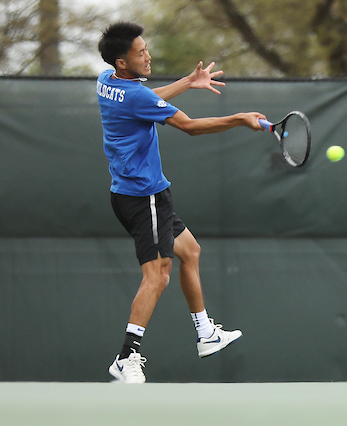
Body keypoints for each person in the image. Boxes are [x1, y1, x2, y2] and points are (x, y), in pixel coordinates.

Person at [96, 21, 267, 383]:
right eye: (140, 53)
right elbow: (188, 126)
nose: (148, 56)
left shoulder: (106, 81)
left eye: (146, 49)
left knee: (189, 251)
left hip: (127, 194)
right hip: (146, 198)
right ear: (122, 62)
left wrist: (188, 83)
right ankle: (127, 356)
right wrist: (239, 119)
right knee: (157, 276)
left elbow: (146, 99)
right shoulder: (137, 96)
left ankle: (205, 333)